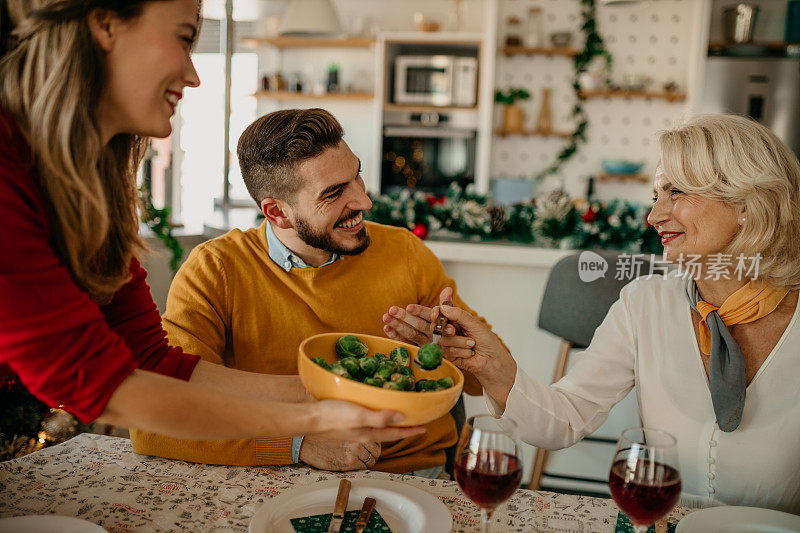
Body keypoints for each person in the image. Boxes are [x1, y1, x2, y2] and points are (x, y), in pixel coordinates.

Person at [0, 0, 423, 445]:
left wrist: (330, 395)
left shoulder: (89, 192)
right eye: (184, 38)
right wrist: (314, 424)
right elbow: (102, 385)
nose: (194, 74)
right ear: (104, 24)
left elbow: (154, 362)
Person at [399, 115, 800, 514]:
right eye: (655, 197)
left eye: (676, 192)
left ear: (746, 203)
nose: (654, 217)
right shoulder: (644, 303)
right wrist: (492, 365)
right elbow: (565, 418)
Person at [130, 108, 496, 476]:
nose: (364, 202)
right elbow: (155, 427)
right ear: (278, 213)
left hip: (414, 477)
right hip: (274, 477)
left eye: (357, 177)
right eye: (334, 193)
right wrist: (296, 445)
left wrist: (455, 350)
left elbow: (487, 384)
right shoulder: (216, 270)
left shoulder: (405, 251)